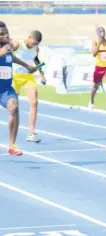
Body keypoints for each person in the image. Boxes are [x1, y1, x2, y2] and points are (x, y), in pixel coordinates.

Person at [0, 21, 34, 155]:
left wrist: (27, 66)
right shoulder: (4, 50)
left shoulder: (8, 48)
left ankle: (12, 146)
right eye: (1, 34)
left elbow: (13, 58)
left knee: (14, 107)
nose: (5, 35)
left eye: (6, 33)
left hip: (5, 90)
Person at [12, 30, 46, 143]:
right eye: (34, 43)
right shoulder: (18, 44)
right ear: (29, 37)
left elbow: (36, 60)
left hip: (27, 77)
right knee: (12, 106)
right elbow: (7, 56)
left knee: (34, 101)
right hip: (15, 77)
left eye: (36, 44)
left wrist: (41, 74)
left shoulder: (35, 49)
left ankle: (31, 132)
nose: (34, 45)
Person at [89, 26, 106, 112]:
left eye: (103, 32)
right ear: (97, 34)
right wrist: (99, 44)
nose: (102, 34)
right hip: (99, 67)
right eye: (100, 32)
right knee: (95, 86)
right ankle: (91, 102)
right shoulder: (95, 42)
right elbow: (93, 54)